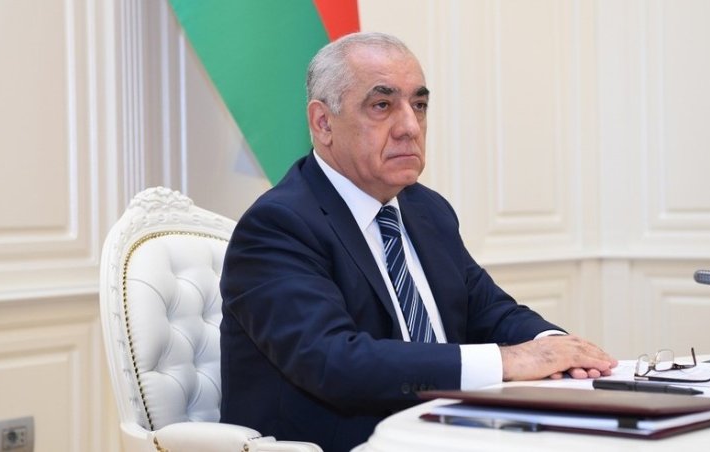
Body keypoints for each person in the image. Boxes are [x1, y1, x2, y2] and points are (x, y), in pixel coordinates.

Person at [220, 31, 617, 452]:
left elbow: (490, 310)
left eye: (420, 106)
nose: (410, 127)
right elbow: (335, 362)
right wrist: (508, 361)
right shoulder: (278, 225)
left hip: (451, 434)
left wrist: (553, 347)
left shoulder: (426, 209)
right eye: (382, 105)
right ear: (323, 123)